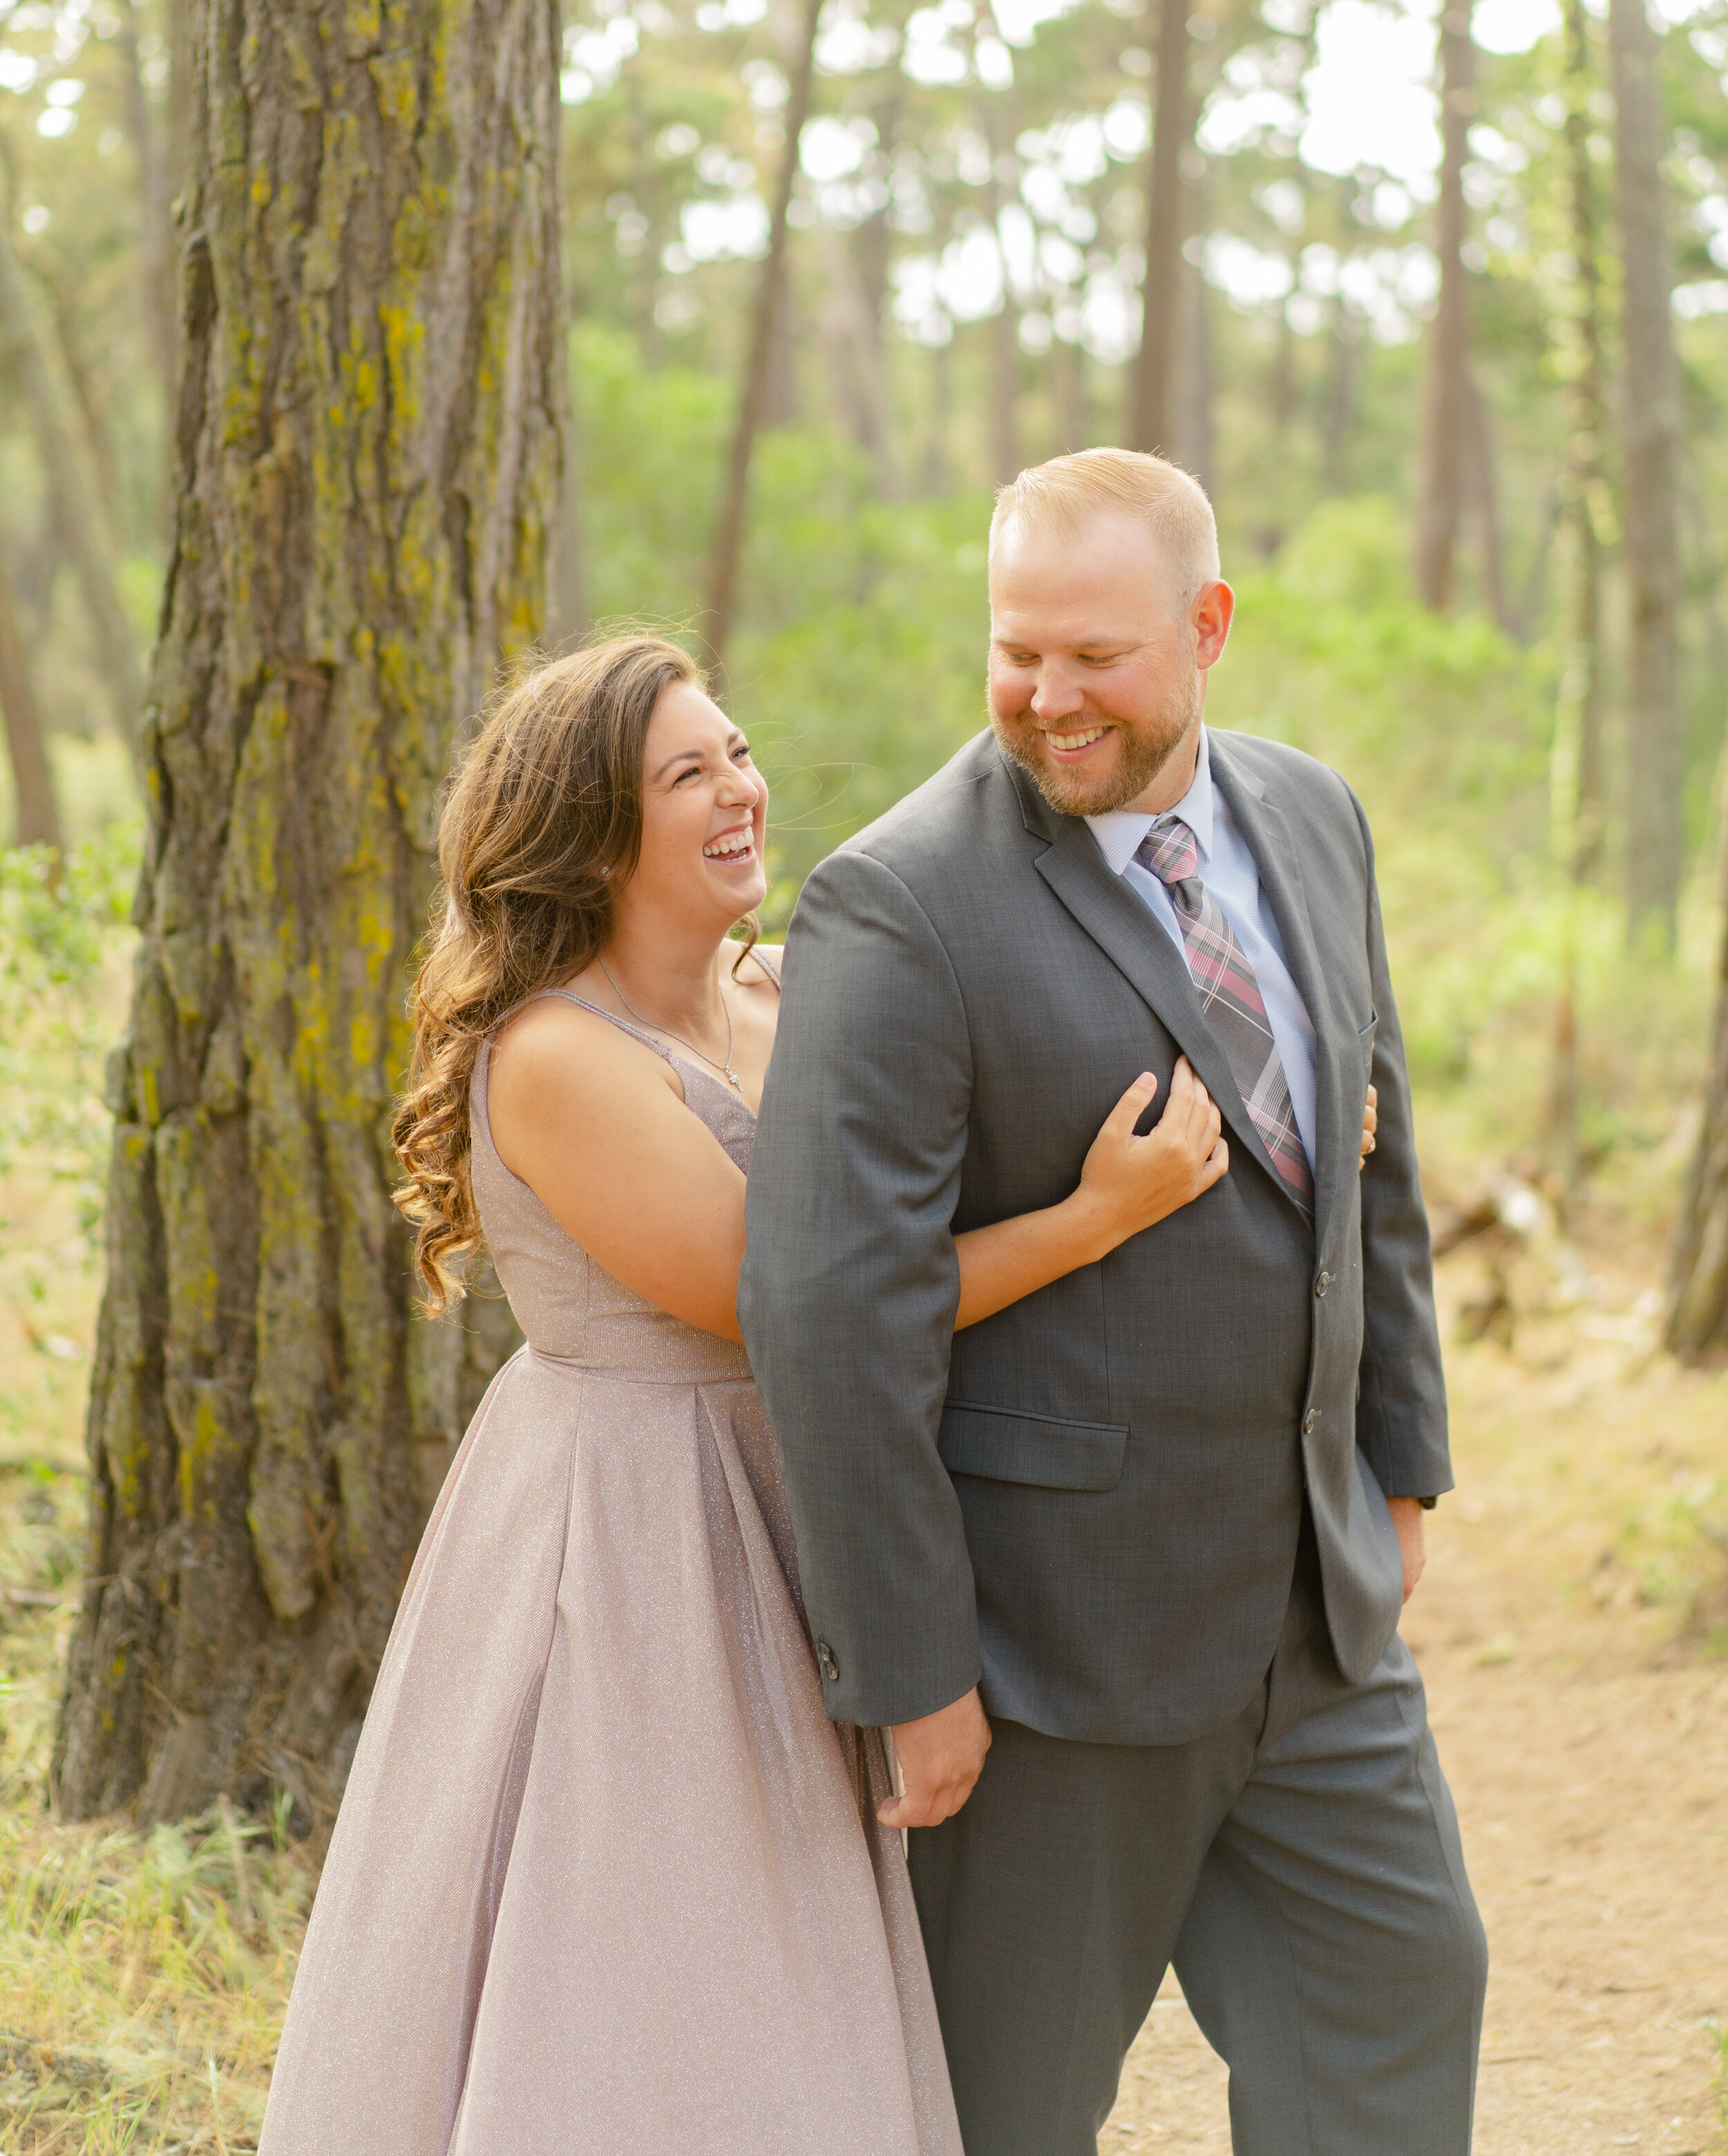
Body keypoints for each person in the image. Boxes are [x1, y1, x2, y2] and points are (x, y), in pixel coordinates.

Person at [256, 631, 1250, 2156]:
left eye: (736, 754)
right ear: (589, 833)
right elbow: (779, 1304)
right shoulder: (553, 1060)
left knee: (801, 1924)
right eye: (683, 774)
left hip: (810, 1485)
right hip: (637, 1526)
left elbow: (1035, 1096)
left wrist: (1281, 1094)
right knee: (656, 1928)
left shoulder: (797, 991)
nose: (738, 792)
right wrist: (1093, 1221)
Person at [740, 449, 1488, 2156]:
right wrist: (909, 1670)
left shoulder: (1310, 815)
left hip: (1317, 1629)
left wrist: (1400, 1466)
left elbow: (1372, 1163)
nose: (1047, 696)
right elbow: (824, 1311)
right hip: (1047, 1666)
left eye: (1095, 655)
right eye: (1016, 649)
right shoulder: (897, 903)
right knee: (1005, 2115)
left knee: (1401, 2007)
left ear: (1207, 626)